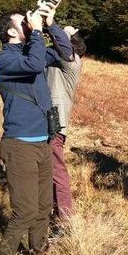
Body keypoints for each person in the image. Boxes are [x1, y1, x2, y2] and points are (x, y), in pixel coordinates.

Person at [0, 5, 72, 255]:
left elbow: (66, 52)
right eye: (22, 22)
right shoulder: (4, 60)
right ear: (10, 31)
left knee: (43, 206)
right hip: (20, 144)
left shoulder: (30, 50)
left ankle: (38, 251)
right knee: (25, 211)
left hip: (43, 141)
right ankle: (4, 254)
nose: (28, 23)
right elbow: (36, 64)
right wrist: (36, 32)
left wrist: (51, 24)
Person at [46, 26, 86, 220]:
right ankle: (54, 209)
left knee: (56, 169)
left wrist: (60, 32)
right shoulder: (60, 62)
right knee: (51, 167)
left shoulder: (70, 61)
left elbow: (63, 47)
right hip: (53, 120)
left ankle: (64, 216)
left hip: (55, 122)